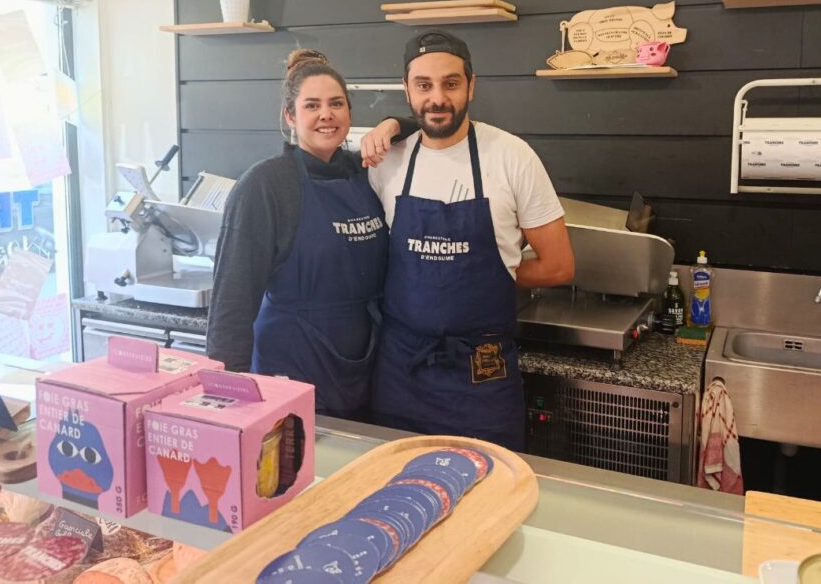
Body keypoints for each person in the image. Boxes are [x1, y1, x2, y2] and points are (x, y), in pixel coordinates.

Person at [365, 30, 575, 450]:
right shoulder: (386, 161)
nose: (437, 98)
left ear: (471, 86)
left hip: (482, 379)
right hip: (400, 373)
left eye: (451, 83)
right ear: (406, 90)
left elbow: (558, 265)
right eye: (423, 85)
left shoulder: (512, 156)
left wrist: (490, 274)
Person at [206, 50, 410, 420]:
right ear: (290, 115)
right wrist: (229, 399)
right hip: (291, 361)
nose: (326, 115)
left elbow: (421, 127)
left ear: (349, 111)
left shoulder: (364, 172)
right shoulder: (264, 185)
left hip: (364, 361)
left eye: (336, 104)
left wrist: (391, 124)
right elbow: (231, 303)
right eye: (312, 105)